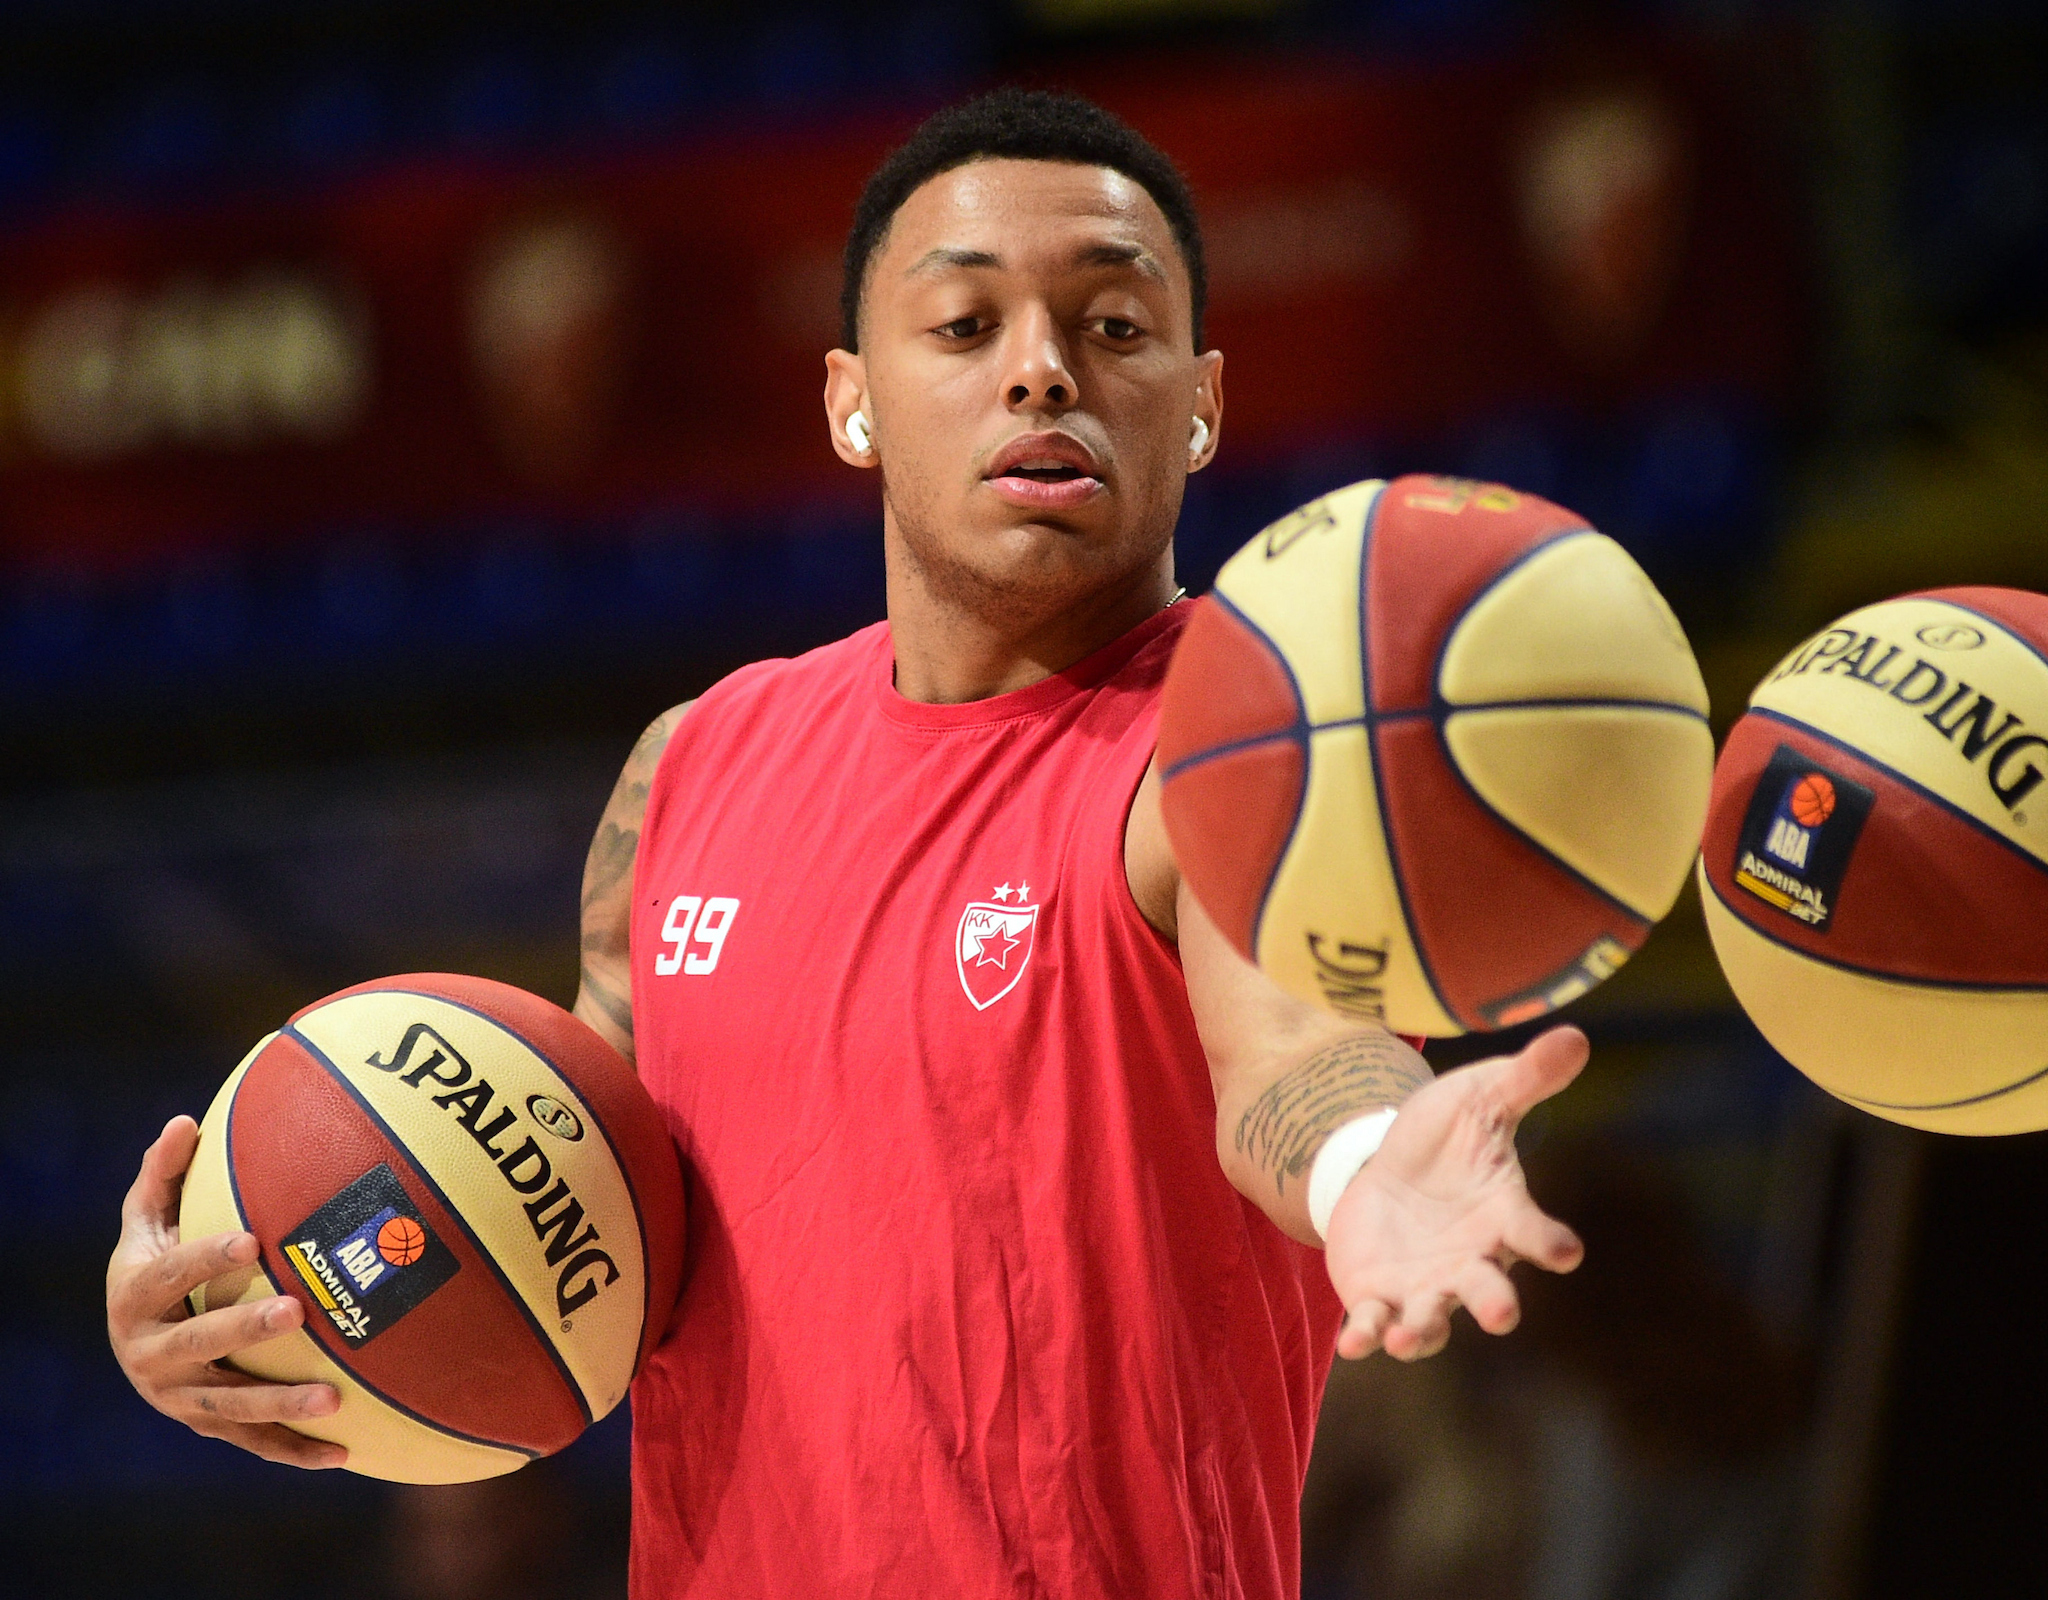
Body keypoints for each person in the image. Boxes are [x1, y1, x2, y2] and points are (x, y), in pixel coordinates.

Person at [105, 88, 1589, 1597]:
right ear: (850, 398)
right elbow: (565, 1195)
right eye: (963, 327)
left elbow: (1291, 1053)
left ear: (1202, 404)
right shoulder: (692, 763)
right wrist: (249, 1303)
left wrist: (1358, 1171)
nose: (1042, 374)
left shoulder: (1239, 750)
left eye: (1116, 329)